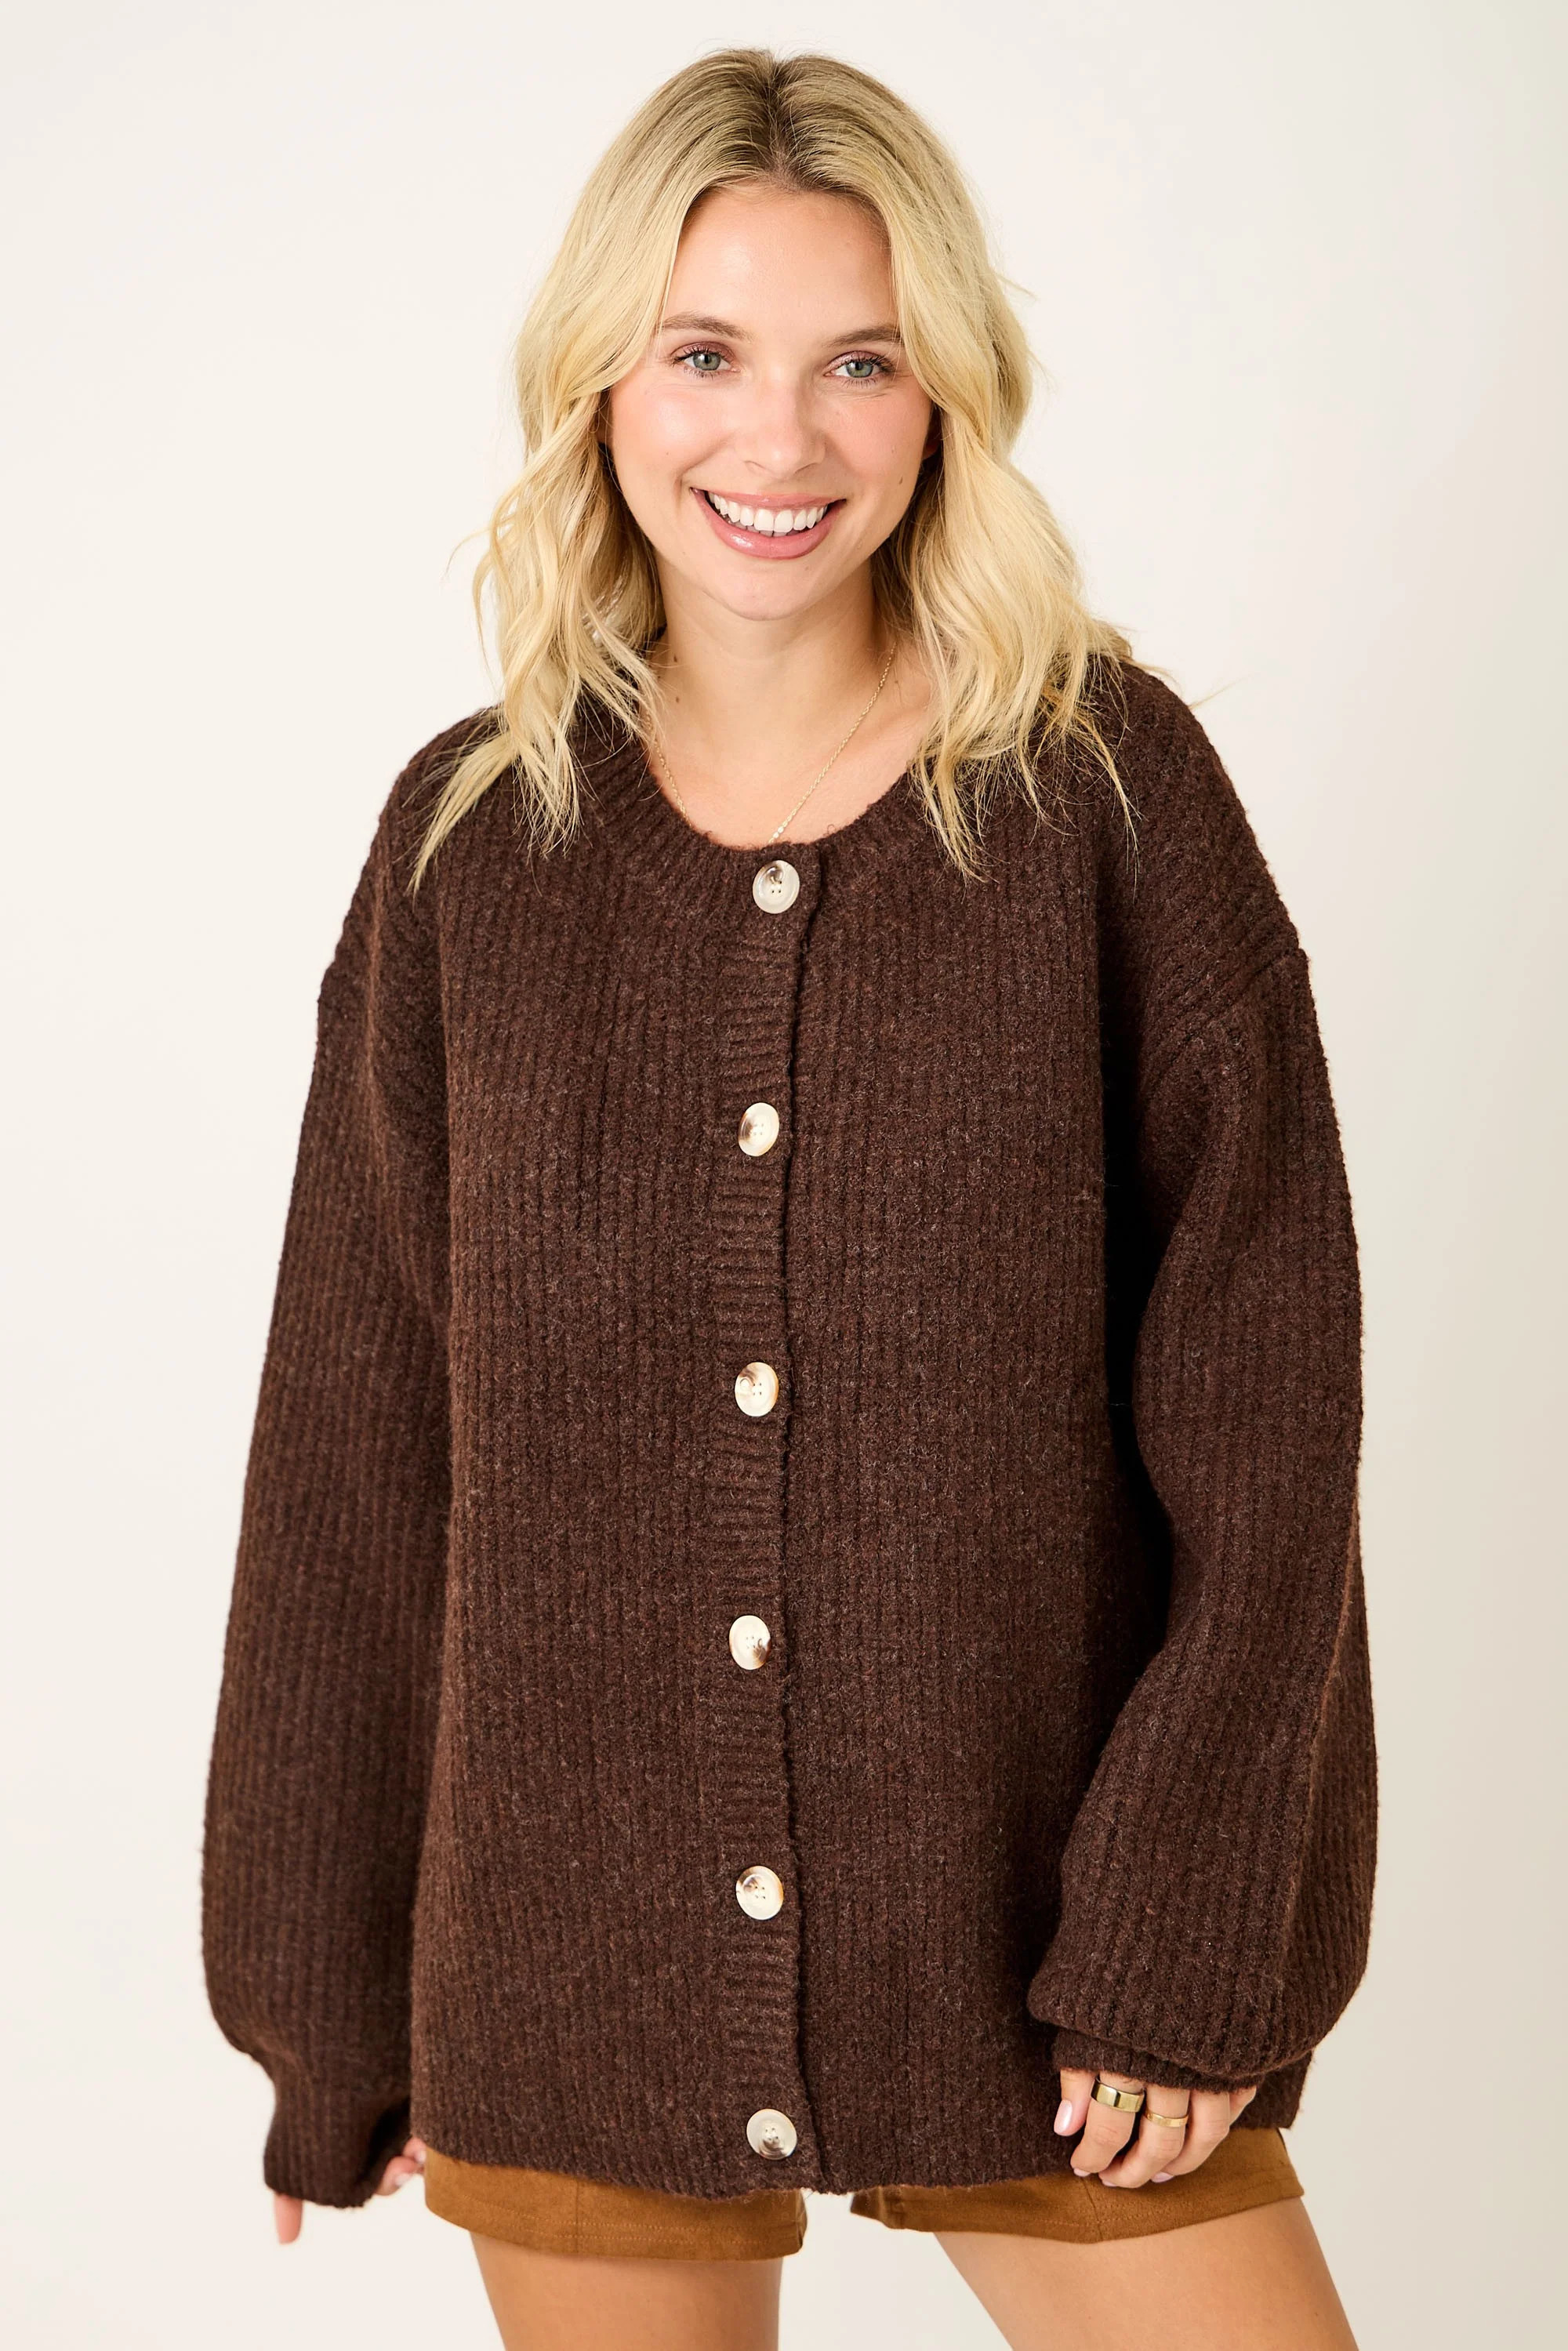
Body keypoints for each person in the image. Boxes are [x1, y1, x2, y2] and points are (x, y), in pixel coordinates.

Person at [201, 46, 1375, 2351]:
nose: (783, 438)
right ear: (601, 386)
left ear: (946, 396)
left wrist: (1188, 1926)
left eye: (861, 361)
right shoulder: (469, 850)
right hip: (572, 1947)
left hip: (1044, 1929)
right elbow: (361, 1438)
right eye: (706, 355)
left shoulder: (1105, 798)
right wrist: (325, 1999)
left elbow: (1269, 1416)